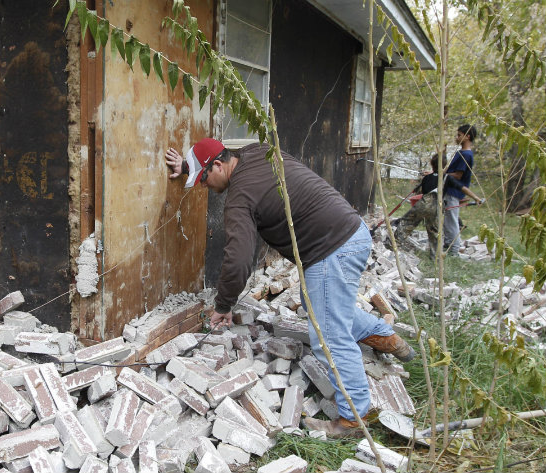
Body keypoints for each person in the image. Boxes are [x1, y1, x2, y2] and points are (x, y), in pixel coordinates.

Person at [164, 138, 415, 437]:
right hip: (350, 230)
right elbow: (223, 149)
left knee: (328, 335)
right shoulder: (256, 151)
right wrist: (190, 165)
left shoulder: (239, 198)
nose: (204, 186)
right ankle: (386, 339)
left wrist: (223, 305)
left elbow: (239, 260)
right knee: (319, 307)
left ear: (219, 164)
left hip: (331, 248)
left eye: (203, 178)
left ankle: (353, 419)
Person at [393, 153, 484, 256]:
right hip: (436, 208)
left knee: (407, 222)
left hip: (422, 205)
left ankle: (394, 244)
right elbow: (462, 188)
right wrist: (476, 198)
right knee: (434, 233)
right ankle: (435, 257)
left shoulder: (427, 178)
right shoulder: (447, 178)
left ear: (432, 165)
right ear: (445, 166)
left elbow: (421, 193)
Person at [443, 124, 477, 255]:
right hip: (449, 190)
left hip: (454, 191)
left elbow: (458, 175)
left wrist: (442, 174)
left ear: (467, 136)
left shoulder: (466, 155)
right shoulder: (460, 152)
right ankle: (448, 244)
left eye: (459, 135)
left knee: (452, 221)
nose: (456, 138)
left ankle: (454, 250)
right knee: (448, 220)